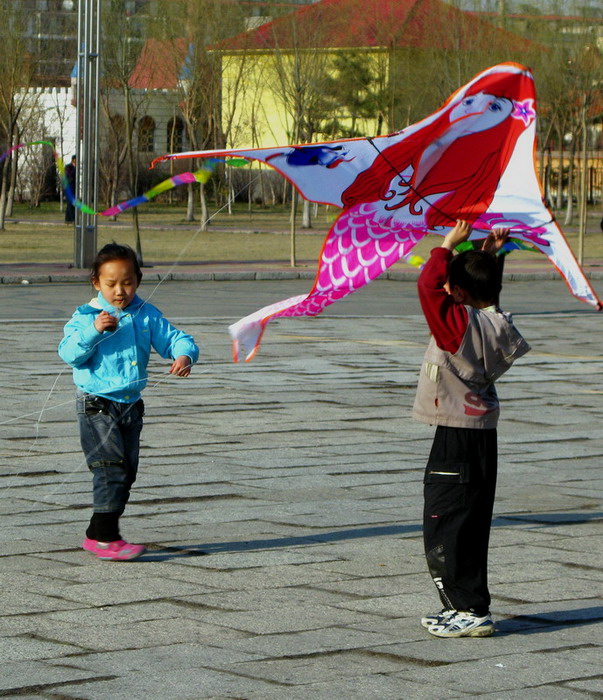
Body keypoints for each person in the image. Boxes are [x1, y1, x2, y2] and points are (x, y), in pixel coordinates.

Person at [413, 220, 530, 638]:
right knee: (472, 519)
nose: (446, 293)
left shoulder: (457, 326)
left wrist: (447, 245)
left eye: (453, 290)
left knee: (447, 520)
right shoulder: (495, 322)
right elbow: (483, 292)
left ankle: (469, 608)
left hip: (457, 433)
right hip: (481, 432)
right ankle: (467, 603)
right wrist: (490, 254)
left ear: (458, 294)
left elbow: (429, 286)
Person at [58, 243, 199, 561]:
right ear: (96, 283)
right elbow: (69, 354)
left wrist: (184, 354)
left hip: (131, 406)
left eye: (128, 282)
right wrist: (94, 331)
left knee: (127, 472)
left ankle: (96, 533)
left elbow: (175, 338)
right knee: (110, 470)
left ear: (138, 280)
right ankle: (108, 538)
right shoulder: (86, 316)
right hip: (97, 404)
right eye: (111, 284)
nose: (120, 291)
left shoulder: (146, 315)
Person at [64, 155, 76, 223]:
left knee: (72, 204)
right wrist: (74, 168)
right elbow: (69, 176)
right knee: (70, 203)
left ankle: (69, 219)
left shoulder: (76, 168)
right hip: (69, 188)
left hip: (74, 188)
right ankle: (70, 219)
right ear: (73, 160)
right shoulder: (68, 167)